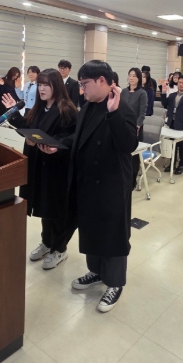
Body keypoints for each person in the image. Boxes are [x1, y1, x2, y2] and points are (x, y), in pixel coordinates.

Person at [40, 60, 138, 313]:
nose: (81, 89)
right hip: (87, 181)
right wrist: (58, 145)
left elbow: (129, 144)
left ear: (102, 81)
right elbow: (78, 137)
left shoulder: (121, 107)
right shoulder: (87, 106)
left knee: (112, 234)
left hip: (111, 184)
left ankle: (115, 283)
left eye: (85, 84)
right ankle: (96, 271)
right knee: (92, 230)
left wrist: (114, 114)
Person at [1, 69, 77, 270]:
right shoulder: (38, 107)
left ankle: (59, 248)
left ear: (56, 86)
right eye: (40, 85)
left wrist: (56, 145)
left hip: (56, 166)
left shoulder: (67, 109)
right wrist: (13, 113)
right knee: (43, 204)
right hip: (38, 164)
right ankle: (47, 242)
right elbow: (28, 128)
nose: (41, 89)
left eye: (46, 85)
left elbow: (72, 137)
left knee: (56, 208)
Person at [161, 75, 183, 174]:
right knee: (172, 144)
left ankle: (181, 165)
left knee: (181, 145)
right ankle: (172, 163)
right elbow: (164, 104)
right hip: (172, 122)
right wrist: (163, 92)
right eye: (179, 82)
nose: (181, 84)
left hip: (182, 123)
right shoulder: (172, 95)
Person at [121, 68, 148, 186]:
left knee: (134, 155)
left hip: (135, 128)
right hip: (122, 126)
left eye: (134, 76)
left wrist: (137, 126)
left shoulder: (142, 93)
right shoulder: (123, 91)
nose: (131, 78)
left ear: (139, 79)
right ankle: (124, 176)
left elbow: (142, 113)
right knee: (124, 152)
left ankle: (133, 178)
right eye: (130, 75)